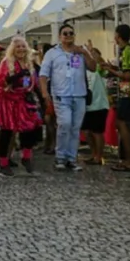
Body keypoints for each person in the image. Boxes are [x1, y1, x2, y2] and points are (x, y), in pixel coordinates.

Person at [39, 23, 96, 171]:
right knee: (65, 124)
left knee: (75, 128)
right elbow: (43, 74)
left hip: (79, 95)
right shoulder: (52, 53)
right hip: (61, 96)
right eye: (65, 33)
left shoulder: (80, 52)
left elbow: (93, 67)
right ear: (60, 36)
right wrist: (45, 93)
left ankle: (71, 158)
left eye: (71, 33)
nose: (68, 36)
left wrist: (85, 52)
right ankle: (60, 157)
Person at [0, 37, 43, 176]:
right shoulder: (6, 63)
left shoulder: (29, 63)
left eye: (23, 46)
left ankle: (26, 157)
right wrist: (17, 75)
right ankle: (3, 164)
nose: (21, 49)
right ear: (13, 49)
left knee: (30, 128)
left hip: (23, 99)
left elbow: (33, 83)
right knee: (7, 132)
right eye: (18, 47)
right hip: (7, 100)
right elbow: (1, 82)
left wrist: (42, 98)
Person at [98, 24, 130, 172]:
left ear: (118, 36)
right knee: (122, 124)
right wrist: (111, 67)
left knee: (122, 124)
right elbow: (124, 70)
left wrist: (111, 70)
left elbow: (128, 75)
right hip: (126, 91)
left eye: (115, 35)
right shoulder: (124, 50)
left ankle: (129, 160)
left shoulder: (127, 51)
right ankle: (126, 159)